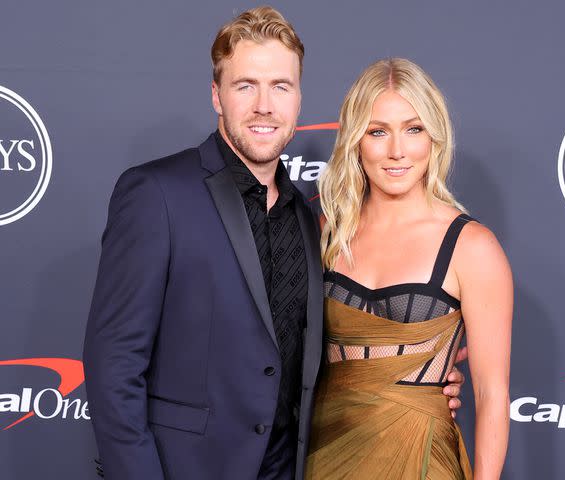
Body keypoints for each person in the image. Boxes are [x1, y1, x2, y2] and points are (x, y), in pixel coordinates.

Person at [83, 7, 465, 480]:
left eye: (280, 86)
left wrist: (421, 381)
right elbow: (113, 365)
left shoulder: (309, 219)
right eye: (246, 85)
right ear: (217, 96)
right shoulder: (157, 194)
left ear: (298, 99)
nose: (264, 105)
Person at [306, 58, 512, 479]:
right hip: (324, 457)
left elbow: (492, 395)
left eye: (413, 129)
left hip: (422, 459)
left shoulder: (472, 247)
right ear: (356, 140)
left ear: (434, 137)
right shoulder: (326, 232)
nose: (397, 150)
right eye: (378, 131)